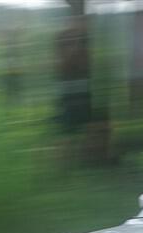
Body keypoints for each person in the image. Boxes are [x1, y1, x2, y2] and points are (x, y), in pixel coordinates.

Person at [55, 14, 92, 167]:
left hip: (84, 87)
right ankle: (66, 160)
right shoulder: (62, 37)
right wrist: (75, 46)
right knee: (69, 126)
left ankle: (84, 157)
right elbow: (65, 62)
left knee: (85, 123)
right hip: (68, 88)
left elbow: (87, 62)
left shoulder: (85, 38)